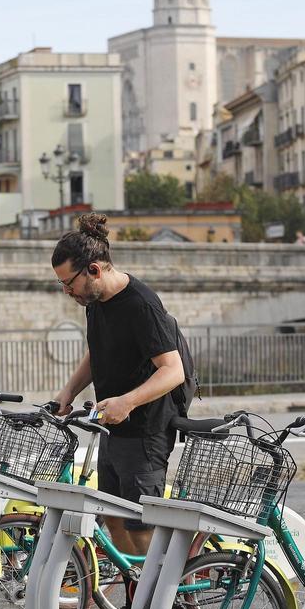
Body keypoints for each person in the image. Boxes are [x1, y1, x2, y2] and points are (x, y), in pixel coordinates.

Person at [51, 213, 185, 573]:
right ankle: (134, 590)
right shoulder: (95, 302)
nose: (67, 292)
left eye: (68, 283)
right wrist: (68, 391)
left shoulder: (141, 304)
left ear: (94, 270)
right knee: (112, 517)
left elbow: (173, 370)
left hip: (144, 431)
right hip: (111, 427)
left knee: (141, 527)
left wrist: (128, 401)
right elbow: (97, 352)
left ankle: (158, 595)